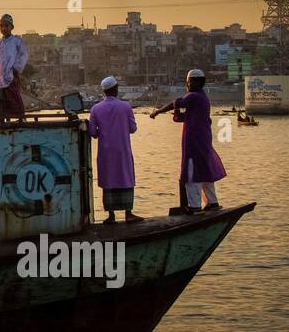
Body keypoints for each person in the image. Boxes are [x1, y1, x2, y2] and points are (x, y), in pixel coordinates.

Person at [150, 68, 226, 213]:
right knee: (204, 171)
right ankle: (212, 202)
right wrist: (177, 111)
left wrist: (158, 111)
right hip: (203, 140)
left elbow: (176, 103)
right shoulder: (202, 98)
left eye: (190, 82)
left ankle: (194, 206)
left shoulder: (194, 97)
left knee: (192, 174)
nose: (188, 85)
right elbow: (184, 117)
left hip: (194, 142)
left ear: (197, 82)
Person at [89, 75, 141, 224]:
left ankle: (111, 216)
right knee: (125, 177)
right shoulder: (126, 107)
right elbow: (132, 128)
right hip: (122, 150)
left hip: (106, 152)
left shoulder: (95, 109)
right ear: (116, 89)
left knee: (108, 179)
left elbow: (92, 133)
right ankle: (128, 213)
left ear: (104, 91)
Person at [0, 13, 28, 121]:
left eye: (6, 26)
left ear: (11, 27)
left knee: (14, 97)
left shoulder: (16, 41)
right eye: (2, 26)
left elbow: (23, 55)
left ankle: (21, 118)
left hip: (11, 74)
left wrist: (16, 68)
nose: (4, 28)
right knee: (2, 99)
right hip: (0, 76)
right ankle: (4, 119)